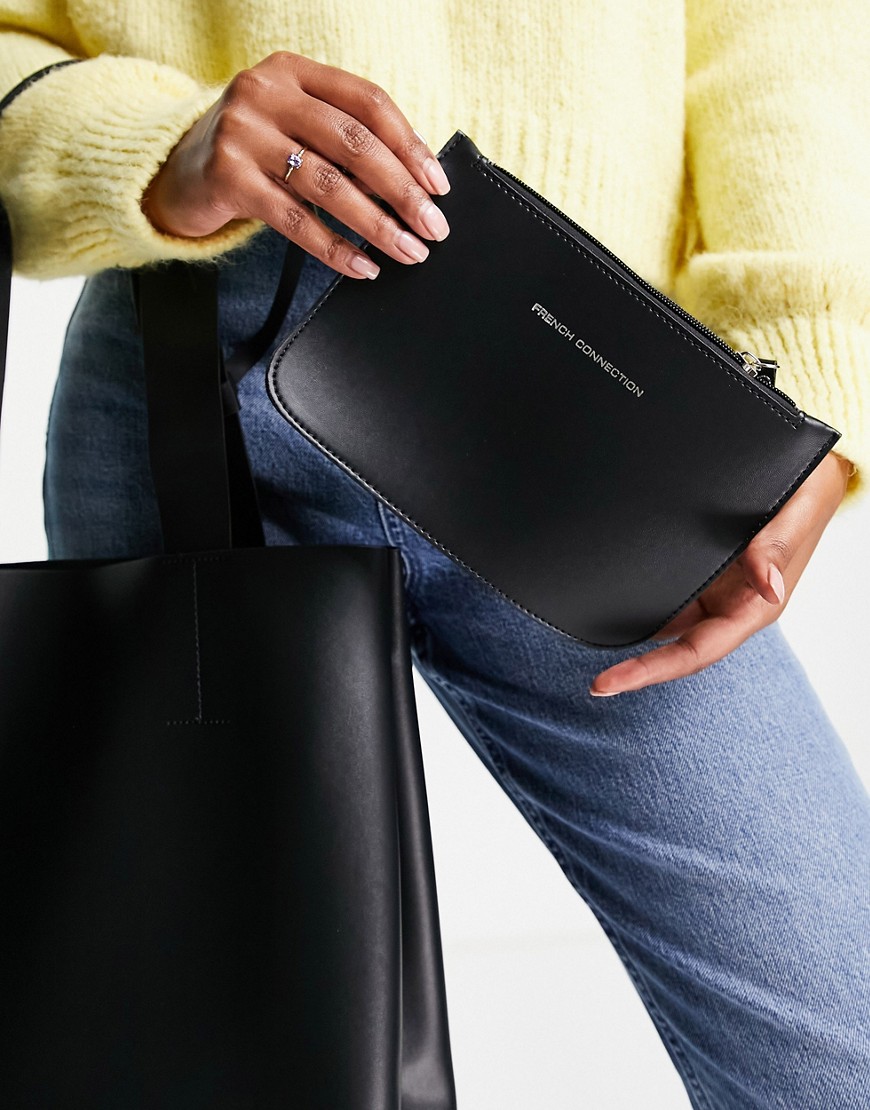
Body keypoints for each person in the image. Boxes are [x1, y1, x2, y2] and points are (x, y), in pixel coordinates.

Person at [1, 2, 868, 1106]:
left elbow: (786, 35)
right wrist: (154, 144)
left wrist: (808, 375)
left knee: (841, 1049)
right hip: (203, 354)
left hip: (594, 390)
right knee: (208, 1060)